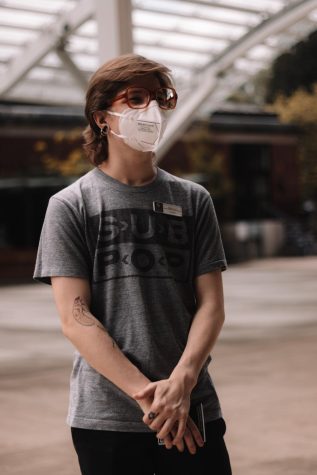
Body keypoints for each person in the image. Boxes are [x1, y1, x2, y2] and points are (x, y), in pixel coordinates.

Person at [33, 53, 232, 475]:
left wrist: (183, 382)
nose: (152, 110)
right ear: (102, 116)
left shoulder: (194, 200)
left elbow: (211, 304)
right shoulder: (71, 206)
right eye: (136, 98)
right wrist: (150, 396)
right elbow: (75, 315)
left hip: (193, 407)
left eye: (161, 98)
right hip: (108, 418)